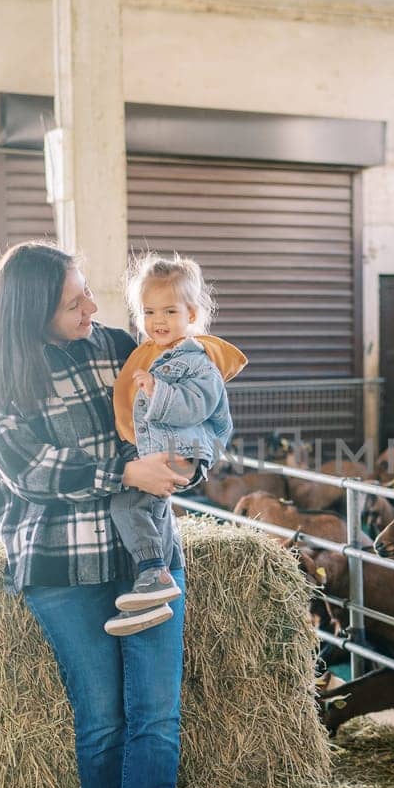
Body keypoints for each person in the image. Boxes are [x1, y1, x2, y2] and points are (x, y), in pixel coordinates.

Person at [0, 240, 191, 788]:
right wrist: (131, 469)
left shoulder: (120, 345)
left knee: (156, 719)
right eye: (75, 300)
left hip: (146, 558)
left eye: (89, 291)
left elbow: (179, 412)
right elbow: (35, 471)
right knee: (104, 726)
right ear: (33, 310)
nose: (94, 306)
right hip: (62, 569)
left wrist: (188, 449)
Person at [106, 253, 246, 632]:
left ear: (192, 314)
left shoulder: (196, 358)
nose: (158, 321)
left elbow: (198, 404)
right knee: (146, 507)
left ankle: (154, 573)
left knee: (127, 504)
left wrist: (159, 391)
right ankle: (150, 599)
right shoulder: (151, 354)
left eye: (169, 311)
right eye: (149, 312)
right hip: (162, 447)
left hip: (183, 449)